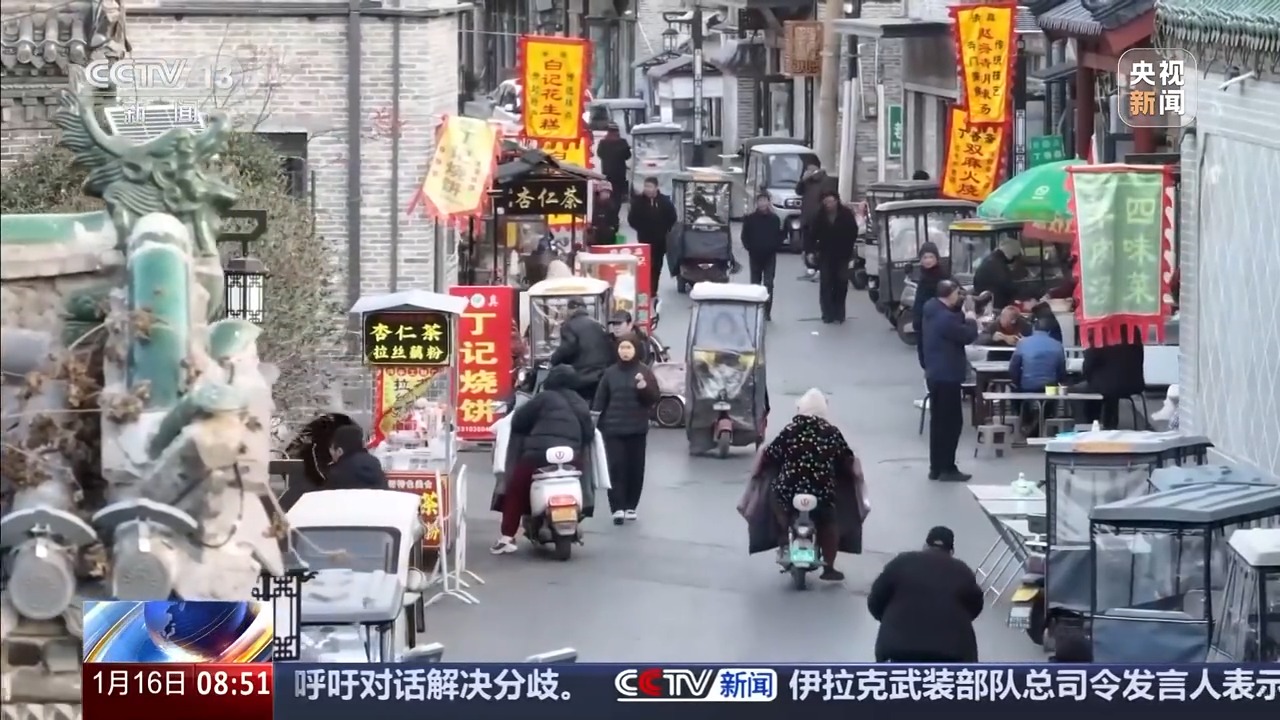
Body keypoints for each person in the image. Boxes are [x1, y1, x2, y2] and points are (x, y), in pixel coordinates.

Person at [758, 389, 868, 582]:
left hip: (789, 490)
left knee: (777, 500)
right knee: (828, 521)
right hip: (821, 492)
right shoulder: (831, 432)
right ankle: (829, 568)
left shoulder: (790, 430)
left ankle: (784, 537)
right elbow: (846, 459)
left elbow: (770, 455)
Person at [493, 365, 595, 554]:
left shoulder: (542, 399)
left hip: (537, 456)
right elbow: (589, 434)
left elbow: (519, 421)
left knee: (516, 489)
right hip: (572, 458)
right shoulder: (580, 402)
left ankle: (507, 536)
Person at [867, 526, 984, 663]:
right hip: (952, 652)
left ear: (924, 546)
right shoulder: (962, 571)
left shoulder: (902, 562)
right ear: (951, 551)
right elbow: (975, 606)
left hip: (897, 648)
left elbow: (875, 600)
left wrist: (892, 619)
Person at [593, 334, 660, 524]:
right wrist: (593, 424)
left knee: (635, 469)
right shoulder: (610, 373)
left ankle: (631, 506)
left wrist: (643, 387)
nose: (625, 352)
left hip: (637, 429)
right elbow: (600, 400)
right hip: (612, 430)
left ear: (636, 350)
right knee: (616, 468)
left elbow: (654, 398)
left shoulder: (644, 371)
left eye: (628, 348)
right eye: (622, 348)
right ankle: (617, 508)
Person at [921, 279, 978, 481]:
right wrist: (971, 316)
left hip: (935, 373)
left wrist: (961, 311)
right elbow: (967, 334)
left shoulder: (932, 310)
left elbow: (954, 320)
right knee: (952, 423)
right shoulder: (945, 319)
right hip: (948, 375)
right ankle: (947, 467)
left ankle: (936, 467)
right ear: (951, 293)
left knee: (938, 422)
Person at [1074, 326, 1145, 429]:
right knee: (1109, 387)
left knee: (1077, 390)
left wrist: (1086, 375)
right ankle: (1110, 423)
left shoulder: (1101, 331)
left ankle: (1085, 426)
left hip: (1107, 386)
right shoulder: (1133, 330)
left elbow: (1089, 363)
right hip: (1134, 384)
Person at [1009, 316, 1068, 436]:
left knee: (1015, 392)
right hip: (1050, 388)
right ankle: (1046, 422)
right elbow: (1061, 370)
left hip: (1027, 386)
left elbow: (1013, 367)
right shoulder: (1057, 345)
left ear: (1034, 329)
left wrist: (1016, 382)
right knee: (1051, 397)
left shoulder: (1023, 343)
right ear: (1050, 331)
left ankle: (1024, 421)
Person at [806, 190, 859, 324]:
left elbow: (853, 232)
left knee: (841, 283)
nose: (828, 204)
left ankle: (839, 313)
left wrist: (849, 248)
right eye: (826, 202)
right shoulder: (819, 216)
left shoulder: (846, 214)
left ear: (836, 201)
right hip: (825, 254)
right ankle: (827, 313)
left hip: (843, 254)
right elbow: (812, 234)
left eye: (831, 201)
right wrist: (810, 251)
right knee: (826, 284)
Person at [549, 298, 614, 403]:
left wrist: (553, 360)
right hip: (600, 375)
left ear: (570, 310)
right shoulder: (597, 325)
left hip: (582, 375)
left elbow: (568, 348)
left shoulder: (569, 325)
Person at [627, 177, 678, 294]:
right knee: (646, 265)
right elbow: (632, 219)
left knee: (657, 265)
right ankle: (645, 288)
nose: (647, 189)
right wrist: (640, 228)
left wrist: (666, 229)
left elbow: (672, 217)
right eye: (646, 186)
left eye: (650, 187)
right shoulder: (638, 202)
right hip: (644, 239)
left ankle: (653, 289)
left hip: (660, 240)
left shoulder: (664, 201)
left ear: (656, 187)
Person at [741, 193, 783, 320]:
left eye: (765, 201)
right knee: (755, 283)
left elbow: (780, 235)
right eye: (760, 201)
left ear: (768, 203)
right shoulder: (750, 219)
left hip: (770, 255)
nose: (762, 204)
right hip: (755, 255)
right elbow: (744, 236)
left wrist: (775, 245)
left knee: (768, 283)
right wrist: (750, 247)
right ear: (756, 203)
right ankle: (755, 309)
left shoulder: (774, 219)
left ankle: (766, 311)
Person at [911, 241, 949, 368]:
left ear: (937, 258)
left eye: (931, 257)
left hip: (938, 324)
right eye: (925, 257)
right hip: (924, 324)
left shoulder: (943, 276)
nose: (928, 261)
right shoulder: (923, 276)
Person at [324, 424, 389, 490]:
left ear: (339, 451)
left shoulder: (337, 473)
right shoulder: (375, 463)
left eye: (331, 449)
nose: (330, 452)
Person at [795, 164, 839, 252]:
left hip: (820, 218)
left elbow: (829, 196)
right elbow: (798, 191)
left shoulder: (826, 181)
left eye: (812, 170)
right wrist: (802, 181)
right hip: (807, 218)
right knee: (808, 246)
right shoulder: (807, 182)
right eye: (808, 170)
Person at [972, 238, 1023, 311]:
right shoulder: (998, 266)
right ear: (1010, 254)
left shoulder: (988, 261)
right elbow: (1008, 287)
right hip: (996, 306)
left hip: (985, 304)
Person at [595, 123, 631, 205]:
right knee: (618, 194)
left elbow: (599, 154)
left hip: (607, 172)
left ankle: (609, 208)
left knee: (608, 191)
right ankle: (616, 211)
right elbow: (628, 156)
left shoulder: (603, 142)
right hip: (620, 173)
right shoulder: (622, 142)